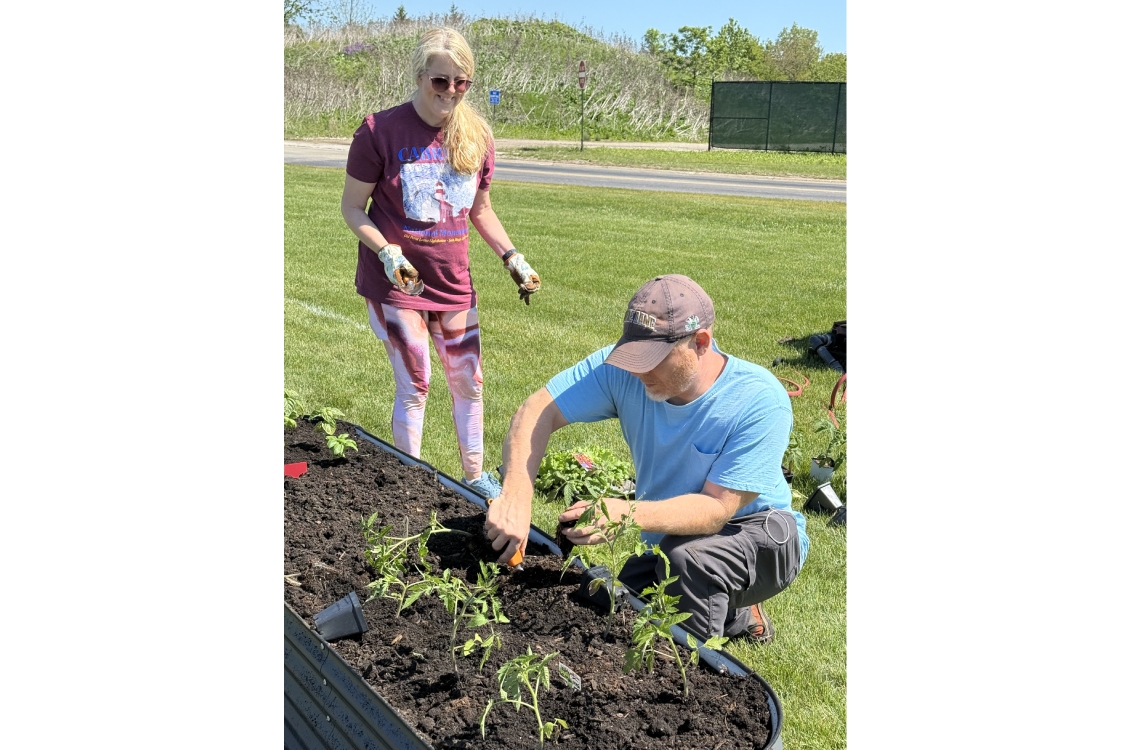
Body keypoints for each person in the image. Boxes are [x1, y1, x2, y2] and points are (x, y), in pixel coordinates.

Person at [483, 275, 808, 643]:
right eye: (634, 357)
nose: (638, 372)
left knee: (689, 562)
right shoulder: (625, 372)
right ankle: (737, 615)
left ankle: (696, 664)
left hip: (762, 536)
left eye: (653, 360)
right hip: (675, 536)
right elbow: (537, 410)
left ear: (700, 342)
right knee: (622, 601)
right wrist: (516, 495)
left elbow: (717, 509)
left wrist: (623, 514)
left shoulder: (758, 400)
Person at [340, 27, 541, 499]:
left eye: (461, 82)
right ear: (419, 76)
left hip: (454, 283)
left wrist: (513, 258)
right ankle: (409, 483)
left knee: (469, 381)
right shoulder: (379, 131)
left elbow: (480, 210)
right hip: (399, 283)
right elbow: (352, 208)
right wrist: (387, 252)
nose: (451, 91)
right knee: (416, 383)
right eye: (440, 80)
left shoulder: (477, 135)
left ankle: (475, 478)